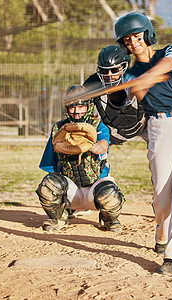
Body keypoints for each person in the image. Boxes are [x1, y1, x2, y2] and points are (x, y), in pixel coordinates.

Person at [115, 12, 172, 274]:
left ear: (147, 34)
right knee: (163, 197)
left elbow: (168, 65)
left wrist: (147, 77)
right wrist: (137, 83)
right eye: (127, 40)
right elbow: (138, 93)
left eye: (137, 36)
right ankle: (161, 232)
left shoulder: (170, 51)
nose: (133, 42)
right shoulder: (129, 75)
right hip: (160, 127)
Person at [36, 85, 125, 232]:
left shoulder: (99, 127)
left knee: (109, 193)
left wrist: (84, 143)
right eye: (72, 107)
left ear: (89, 106)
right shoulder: (59, 130)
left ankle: (109, 219)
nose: (76, 111)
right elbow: (50, 166)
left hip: (95, 188)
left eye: (81, 106)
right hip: (72, 191)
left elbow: (102, 147)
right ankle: (59, 217)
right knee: (49, 185)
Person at [83, 45, 146, 145]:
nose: (109, 75)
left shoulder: (136, 78)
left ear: (125, 67)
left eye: (114, 70)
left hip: (142, 123)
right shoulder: (93, 83)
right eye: (104, 71)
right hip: (111, 129)